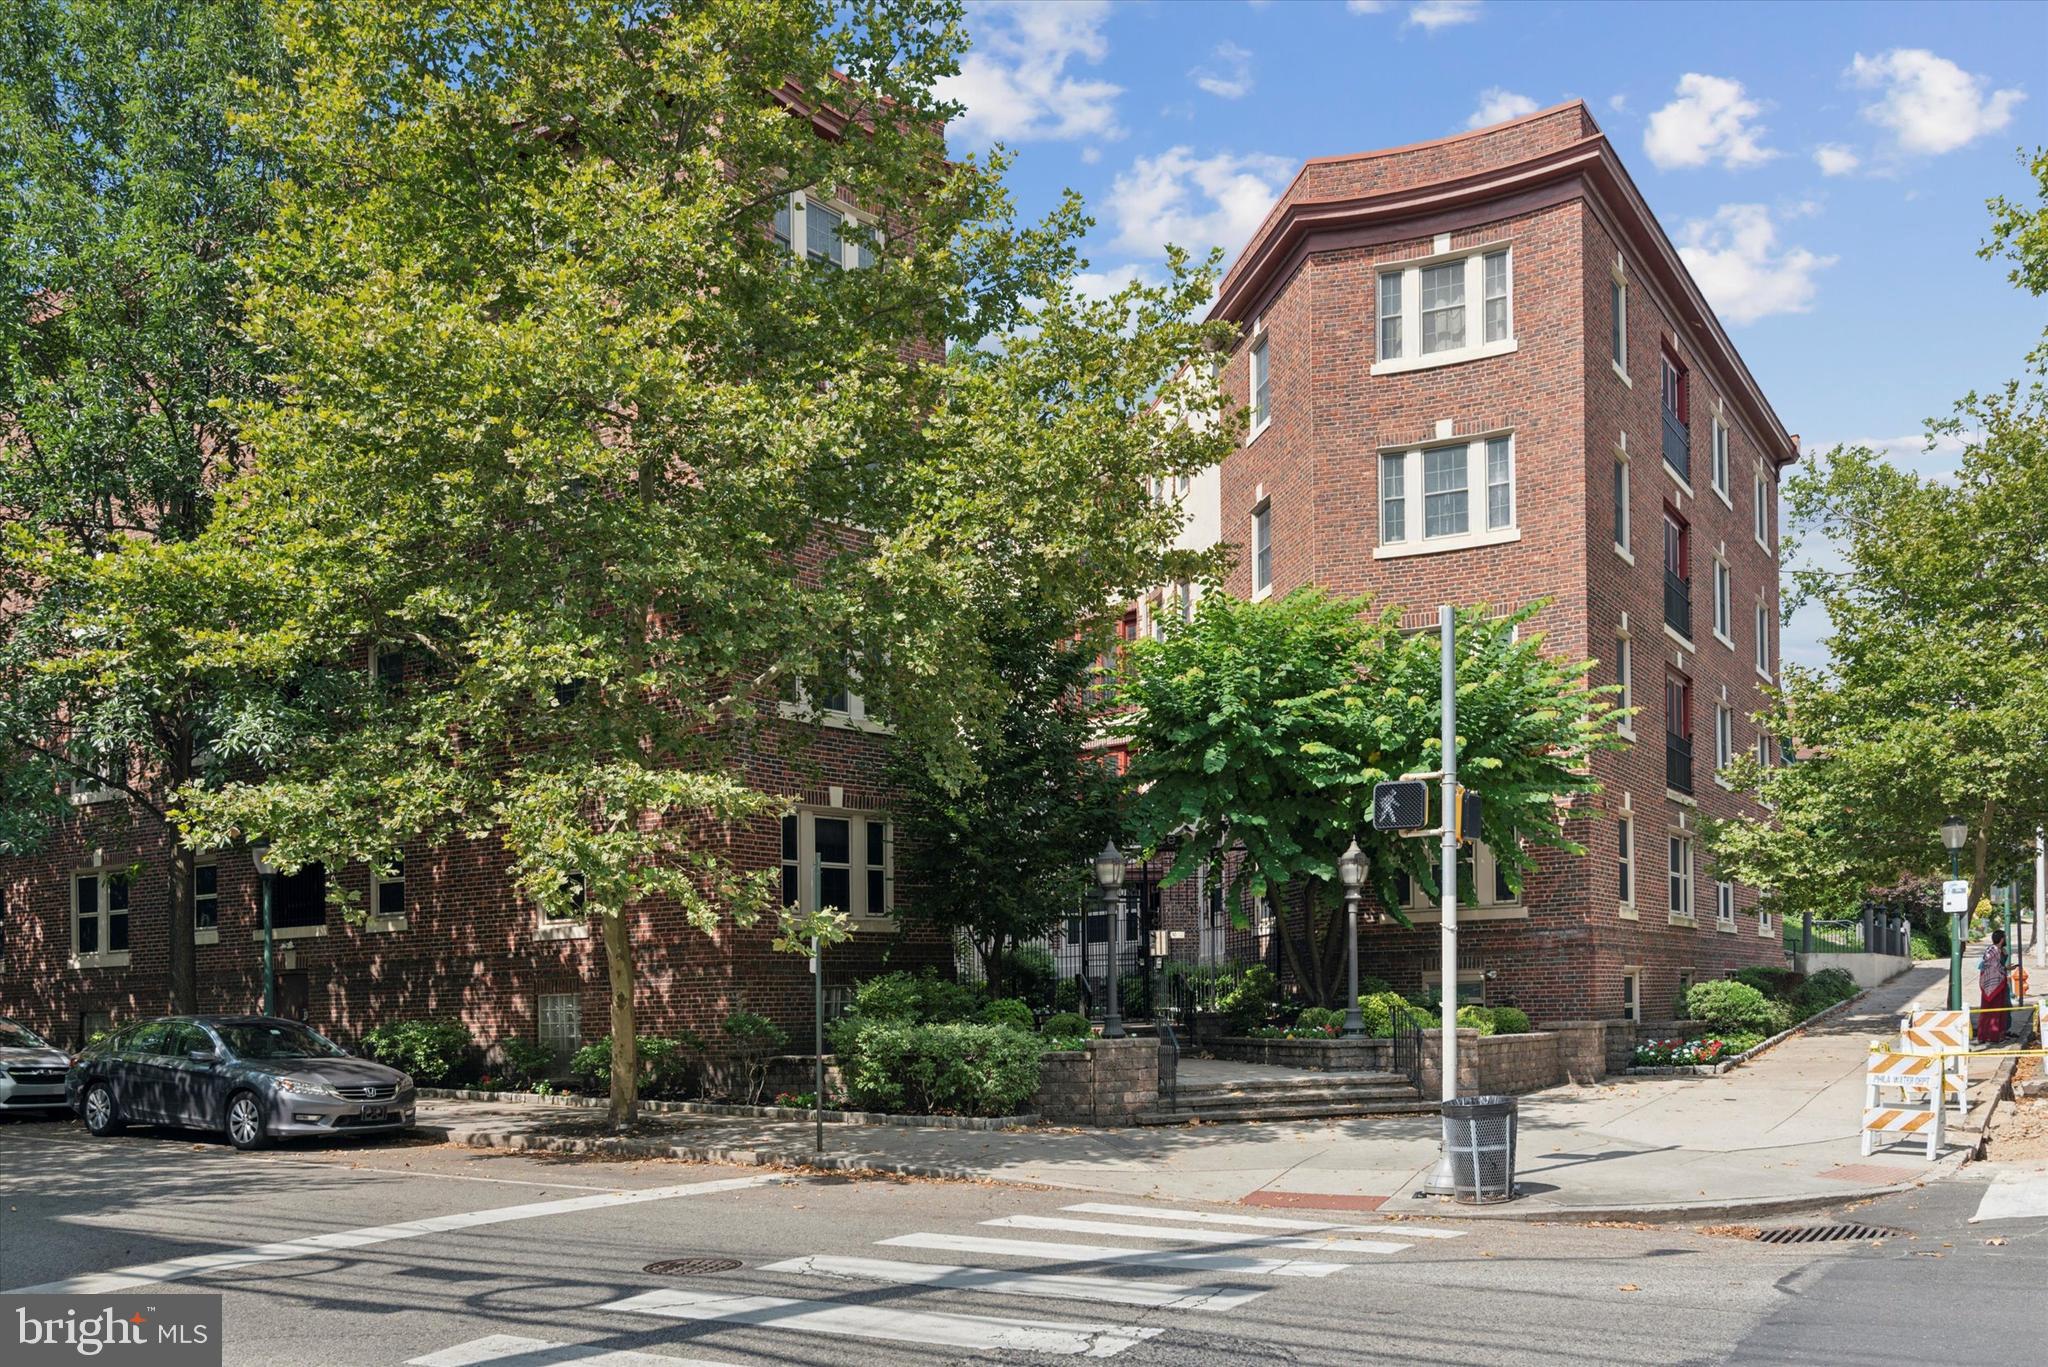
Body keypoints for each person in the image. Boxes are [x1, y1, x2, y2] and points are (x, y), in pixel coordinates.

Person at [1975, 928, 2012, 1046]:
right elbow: (1995, 967)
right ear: (2001, 939)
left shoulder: (1995, 950)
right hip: (1995, 984)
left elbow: (1997, 965)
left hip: (1991, 984)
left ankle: (1988, 1036)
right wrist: (2006, 968)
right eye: (2004, 938)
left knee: (1991, 1011)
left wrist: (2005, 957)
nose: (2005, 940)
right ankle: (1993, 1036)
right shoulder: (1993, 951)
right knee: (1995, 1012)